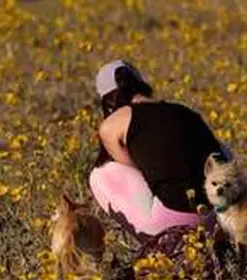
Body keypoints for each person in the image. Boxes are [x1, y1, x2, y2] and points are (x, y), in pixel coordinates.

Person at [88, 59, 231, 262]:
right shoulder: (187, 112)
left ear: (108, 100)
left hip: (174, 221)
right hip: (222, 218)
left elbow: (136, 174)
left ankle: (167, 246)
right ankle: (221, 237)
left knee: (102, 173)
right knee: (219, 149)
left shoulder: (113, 125)